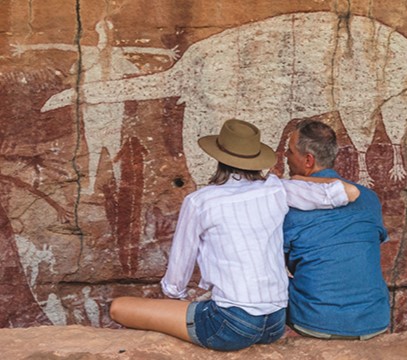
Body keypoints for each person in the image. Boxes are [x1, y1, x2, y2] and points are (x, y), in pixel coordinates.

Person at [109, 118, 360, 351]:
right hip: (274, 323)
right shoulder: (276, 189)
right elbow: (348, 193)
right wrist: (292, 182)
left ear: (218, 157)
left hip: (230, 325)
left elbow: (177, 279)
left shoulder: (200, 201)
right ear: (256, 158)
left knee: (119, 307)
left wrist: (175, 301)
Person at [284, 119, 390, 340]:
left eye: (290, 151)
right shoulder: (369, 197)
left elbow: (278, 259)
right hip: (375, 319)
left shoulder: (288, 203)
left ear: (308, 160)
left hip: (316, 320)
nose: (285, 156)